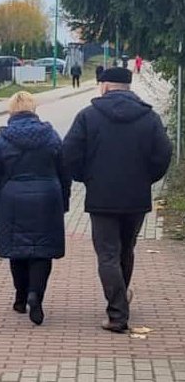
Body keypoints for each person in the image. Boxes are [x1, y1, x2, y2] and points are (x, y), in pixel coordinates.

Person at [62, 67, 172, 333]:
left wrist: (86, 177)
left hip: (102, 196)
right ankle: (120, 299)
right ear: (127, 87)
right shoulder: (149, 118)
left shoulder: (88, 117)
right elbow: (163, 154)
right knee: (126, 250)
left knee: (108, 254)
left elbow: (69, 154)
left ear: (105, 86)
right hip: (136, 197)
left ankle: (117, 314)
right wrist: (147, 179)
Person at [0, 91, 71, 325]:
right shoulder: (51, 136)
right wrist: (64, 200)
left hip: (12, 200)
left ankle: (20, 297)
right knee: (42, 251)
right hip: (48, 198)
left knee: (18, 251)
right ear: (33, 110)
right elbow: (64, 170)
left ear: (11, 112)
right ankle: (36, 294)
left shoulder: (1, 140)